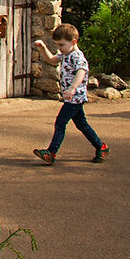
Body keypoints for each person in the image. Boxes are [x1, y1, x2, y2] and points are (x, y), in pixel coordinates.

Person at [33, 23, 109, 165]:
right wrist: (43, 48)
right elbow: (51, 60)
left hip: (75, 97)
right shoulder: (64, 54)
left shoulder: (77, 56)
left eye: (61, 45)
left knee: (60, 123)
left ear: (73, 42)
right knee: (82, 125)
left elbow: (82, 71)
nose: (59, 48)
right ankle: (101, 147)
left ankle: (51, 152)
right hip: (71, 98)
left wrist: (73, 88)